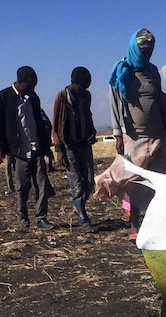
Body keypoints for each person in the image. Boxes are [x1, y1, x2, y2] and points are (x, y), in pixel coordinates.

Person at [101, 28, 166, 241]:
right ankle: (134, 225)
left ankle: (152, 222)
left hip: (157, 134)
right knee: (134, 180)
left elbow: (160, 101)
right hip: (134, 136)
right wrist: (117, 134)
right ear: (135, 49)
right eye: (144, 50)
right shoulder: (122, 70)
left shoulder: (152, 71)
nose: (147, 54)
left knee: (155, 181)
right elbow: (115, 104)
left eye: (150, 50)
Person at [0, 65, 55, 230]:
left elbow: (40, 123)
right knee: (22, 188)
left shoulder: (34, 98)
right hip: (19, 151)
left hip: (37, 148)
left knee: (42, 185)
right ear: (20, 82)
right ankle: (23, 218)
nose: (33, 88)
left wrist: (47, 146)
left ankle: (41, 218)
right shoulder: (2, 97)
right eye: (30, 85)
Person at [52, 66, 97, 226]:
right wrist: (59, 151)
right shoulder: (62, 97)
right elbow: (56, 125)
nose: (84, 89)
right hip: (69, 146)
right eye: (82, 85)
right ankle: (82, 217)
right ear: (73, 82)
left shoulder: (86, 96)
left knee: (90, 182)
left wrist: (92, 132)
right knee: (76, 182)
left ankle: (80, 205)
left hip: (85, 144)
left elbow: (88, 115)